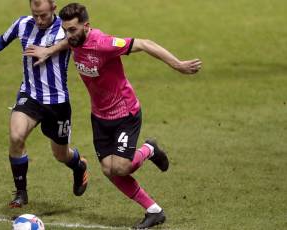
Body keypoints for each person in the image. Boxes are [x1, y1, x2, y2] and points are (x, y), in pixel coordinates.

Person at [24, 2, 202, 228]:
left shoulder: (103, 43)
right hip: (99, 117)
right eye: (65, 30)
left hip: (125, 113)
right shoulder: (73, 39)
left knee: (121, 167)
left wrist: (178, 65)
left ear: (86, 26)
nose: (68, 35)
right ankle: (153, 210)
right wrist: (48, 50)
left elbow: (145, 44)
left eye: (72, 30)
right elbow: (67, 43)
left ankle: (150, 149)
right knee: (109, 170)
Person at [0, 0, 88, 209]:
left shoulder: (65, 27)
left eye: (43, 15)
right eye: (35, 14)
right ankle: (21, 192)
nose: (39, 20)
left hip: (57, 102)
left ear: (54, 7)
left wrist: (49, 50)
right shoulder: (23, 24)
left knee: (60, 154)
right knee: (16, 137)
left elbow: (80, 37)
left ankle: (79, 165)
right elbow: (2, 39)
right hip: (30, 95)